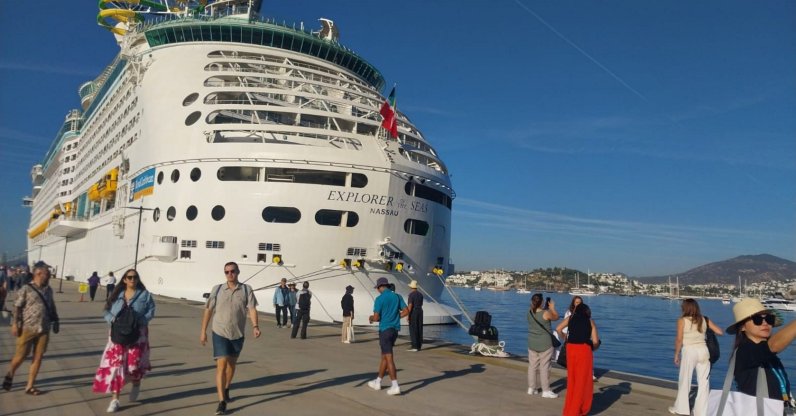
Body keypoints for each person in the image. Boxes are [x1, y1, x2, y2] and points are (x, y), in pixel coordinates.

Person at [200, 262, 260, 416]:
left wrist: (255, 326)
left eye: (232, 271)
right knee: (221, 365)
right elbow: (208, 310)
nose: (230, 274)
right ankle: (221, 402)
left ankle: (227, 387)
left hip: (237, 333)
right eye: (227, 272)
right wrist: (203, 331)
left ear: (238, 271)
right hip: (219, 331)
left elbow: (252, 308)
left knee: (232, 365)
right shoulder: (217, 289)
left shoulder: (247, 289)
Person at [92, 269, 156, 413]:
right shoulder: (117, 295)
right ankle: (115, 399)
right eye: (130, 277)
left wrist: (141, 321)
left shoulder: (145, 295)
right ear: (125, 280)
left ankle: (136, 383)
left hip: (138, 335)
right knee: (117, 367)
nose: (133, 279)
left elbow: (151, 311)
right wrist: (112, 320)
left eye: (135, 277)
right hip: (117, 336)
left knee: (134, 365)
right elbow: (106, 311)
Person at [726, 298, 795, 407]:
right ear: (742, 327)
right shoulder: (745, 351)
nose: (765, 323)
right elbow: (774, 345)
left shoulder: (768, 355)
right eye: (757, 319)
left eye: (769, 319)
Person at [2, 264, 58, 395]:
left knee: (38, 357)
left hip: (44, 328)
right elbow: (17, 307)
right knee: (20, 357)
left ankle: (30, 386)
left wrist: (56, 320)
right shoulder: (26, 289)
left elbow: (52, 305)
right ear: (38, 274)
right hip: (27, 328)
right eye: (47, 274)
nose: (49, 277)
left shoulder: (48, 290)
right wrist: (15, 324)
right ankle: (11, 373)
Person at [670, 298, 723, 416]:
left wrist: (676, 354)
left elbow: (679, 339)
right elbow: (720, 332)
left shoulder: (682, 320)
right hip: (704, 351)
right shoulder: (704, 319)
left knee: (685, 380)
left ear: (685, 308)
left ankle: (682, 409)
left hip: (689, 351)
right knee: (704, 383)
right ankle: (701, 412)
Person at [367, 277, 409, 396]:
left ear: (380, 287)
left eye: (378, 288)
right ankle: (378, 381)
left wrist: (370, 318)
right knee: (384, 356)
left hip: (384, 330)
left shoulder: (379, 299)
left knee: (389, 357)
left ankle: (395, 385)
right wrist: (396, 317)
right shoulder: (397, 296)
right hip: (394, 330)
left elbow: (376, 317)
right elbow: (406, 311)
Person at [557, 303, 600, 416]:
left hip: (571, 349)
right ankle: (578, 410)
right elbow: (595, 342)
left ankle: (569, 410)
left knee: (572, 380)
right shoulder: (590, 321)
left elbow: (558, 329)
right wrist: (593, 348)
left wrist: (567, 339)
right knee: (583, 382)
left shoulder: (570, 318)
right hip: (584, 351)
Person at [528, 293, 560, 398]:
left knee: (532, 366)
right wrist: (552, 308)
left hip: (532, 342)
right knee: (545, 367)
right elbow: (556, 317)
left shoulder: (528, 313)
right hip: (545, 343)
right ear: (542, 302)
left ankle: (531, 388)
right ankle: (546, 390)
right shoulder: (546, 313)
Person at [406, 280, 424, 351]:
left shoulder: (411, 295)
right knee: (419, 328)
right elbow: (421, 304)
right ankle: (419, 345)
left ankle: (414, 346)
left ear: (411, 287)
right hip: (420, 311)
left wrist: (408, 315)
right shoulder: (421, 294)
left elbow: (410, 305)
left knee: (413, 328)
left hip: (414, 311)